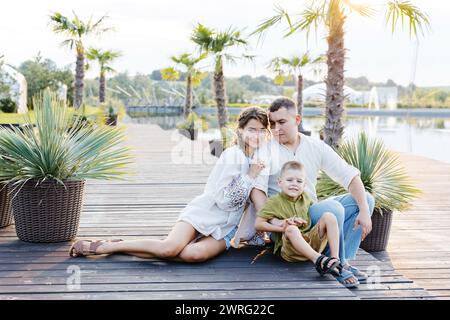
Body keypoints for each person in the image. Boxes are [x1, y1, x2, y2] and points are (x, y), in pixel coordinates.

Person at [69, 106, 270, 262]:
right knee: (169, 249)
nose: (257, 135)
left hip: (227, 228)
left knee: (193, 255)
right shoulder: (232, 155)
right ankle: (108, 247)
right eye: (252, 129)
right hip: (206, 213)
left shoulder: (260, 159)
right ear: (241, 131)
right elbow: (223, 200)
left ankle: (129, 246)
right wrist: (249, 176)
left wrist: (260, 232)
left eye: (262, 130)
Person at [248, 97, 375, 286]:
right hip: (287, 223)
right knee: (332, 208)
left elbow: (350, 177)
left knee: (365, 199)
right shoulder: (265, 151)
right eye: (272, 124)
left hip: (310, 211)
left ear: (297, 120)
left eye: (282, 122)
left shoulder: (315, 146)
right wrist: (275, 221)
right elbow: (256, 191)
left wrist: (364, 212)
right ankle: (338, 265)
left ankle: (344, 259)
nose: (276, 129)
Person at [255, 161, 359, 288]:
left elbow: (311, 219)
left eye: (299, 181)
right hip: (290, 248)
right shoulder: (273, 202)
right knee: (291, 229)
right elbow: (259, 224)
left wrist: (301, 221)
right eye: (289, 180)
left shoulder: (305, 198)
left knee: (329, 216)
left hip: (310, 242)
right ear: (280, 182)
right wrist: (281, 227)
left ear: (304, 185)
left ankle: (335, 261)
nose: (294, 184)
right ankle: (319, 260)